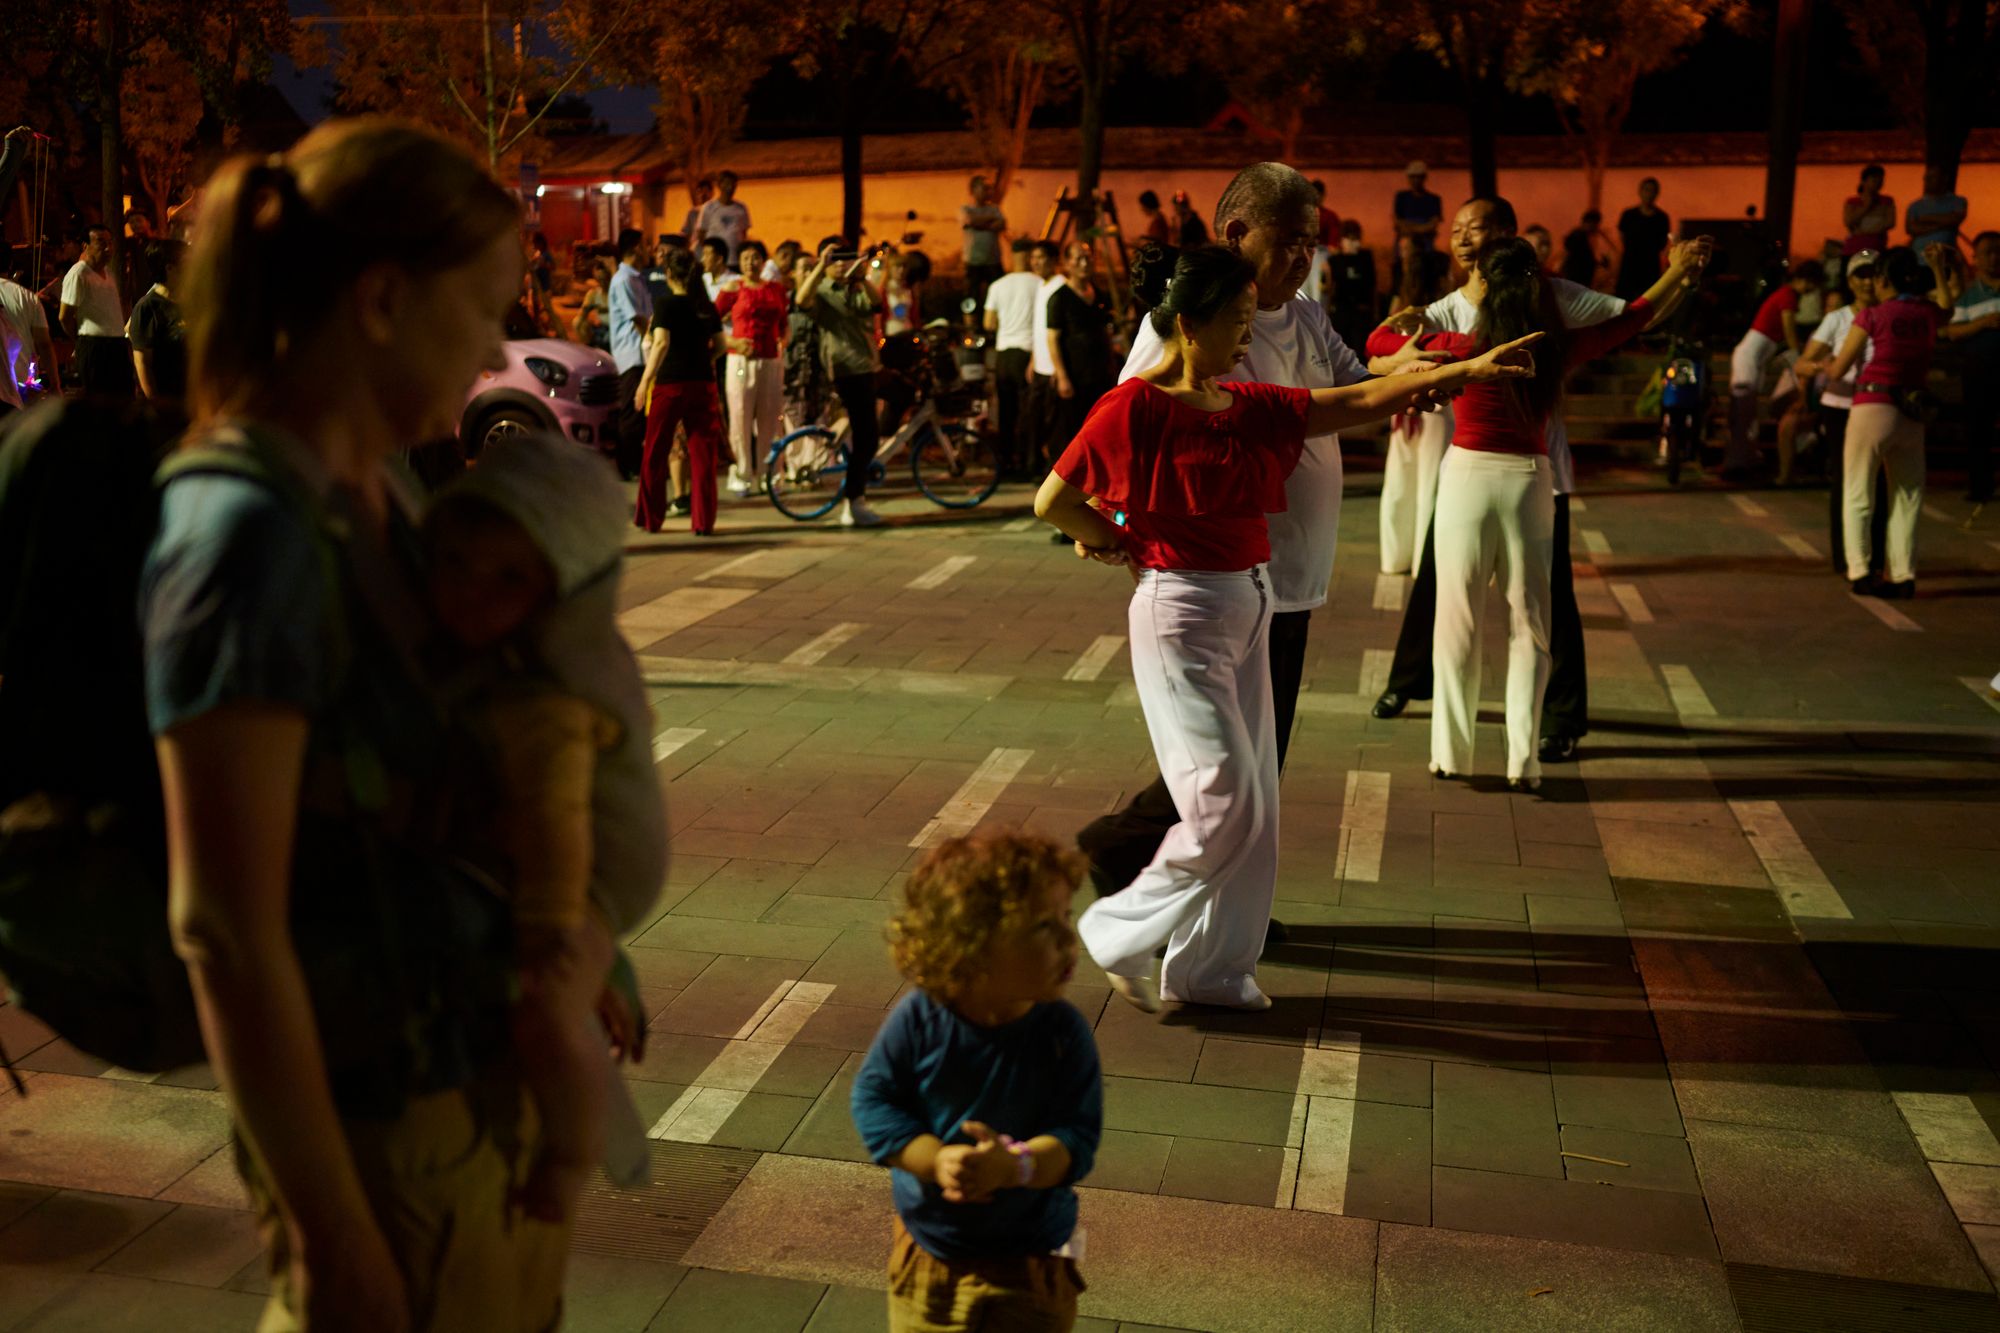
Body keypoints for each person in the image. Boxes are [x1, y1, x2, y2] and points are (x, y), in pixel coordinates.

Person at [151, 115, 570, 1332]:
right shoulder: (243, 532)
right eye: (483, 310)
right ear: (383, 297)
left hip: (469, 1107)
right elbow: (223, 927)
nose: (497, 350)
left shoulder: (372, 485)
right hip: (381, 1148)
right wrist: (337, 1239)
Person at [1039, 243, 1534, 1011]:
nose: (1247, 332)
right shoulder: (1134, 405)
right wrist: (1123, 538)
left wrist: (1460, 372)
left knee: (1258, 807)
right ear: (1188, 322)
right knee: (1225, 798)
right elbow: (1053, 500)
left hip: (1252, 605)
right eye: (1236, 319)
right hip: (1181, 614)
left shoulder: (1248, 404)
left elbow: (1356, 402)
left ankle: (1213, 970)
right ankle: (1116, 929)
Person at [1075, 164, 1440, 910]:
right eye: (1290, 243)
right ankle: (1142, 866)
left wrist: (1407, 365)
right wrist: (1110, 525)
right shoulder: (1178, 326)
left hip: (1291, 576)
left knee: (1250, 763)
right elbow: (1118, 435)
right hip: (1226, 577)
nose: (1304, 258)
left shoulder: (1302, 312)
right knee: (1235, 768)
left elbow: (1352, 380)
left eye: (1313, 242)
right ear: (1237, 233)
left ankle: (1191, 895)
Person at [423, 435, 666, 1227]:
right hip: (559, 846)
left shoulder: (548, 697)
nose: (471, 595)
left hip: (596, 874)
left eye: (509, 579)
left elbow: (557, 823)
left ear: (564, 591)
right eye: (453, 563)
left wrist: (552, 930)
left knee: (547, 1006)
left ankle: (570, 1157)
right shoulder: (520, 652)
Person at [1374, 236, 1706, 788]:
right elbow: (1638, 317)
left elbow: (1377, 340)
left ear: (1484, 282)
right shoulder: (1553, 346)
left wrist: (1407, 328)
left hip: (1466, 477)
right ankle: (1523, 763)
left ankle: (1452, 755)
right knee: (1532, 624)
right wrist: (1677, 271)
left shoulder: (1456, 342)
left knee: (1457, 619)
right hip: (1531, 482)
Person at [850, 831, 1099, 1333]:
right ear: (974, 946)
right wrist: (935, 1159)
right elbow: (875, 1101)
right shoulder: (922, 1019)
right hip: (931, 1254)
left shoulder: (1062, 1033)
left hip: (1032, 1258)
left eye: (1066, 920)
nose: (1068, 940)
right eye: (1043, 927)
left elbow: (1078, 1136)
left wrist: (1016, 1167)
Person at [1824, 244, 1957, 597]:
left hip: (1872, 405)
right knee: (1907, 495)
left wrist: (1819, 367)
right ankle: (1902, 576)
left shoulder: (1871, 316)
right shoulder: (1926, 312)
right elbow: (1949, 307)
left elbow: (1838, 369)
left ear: (1883, 279)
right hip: (1912, 410)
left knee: (1858, 491)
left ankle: (1861, 571)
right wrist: (1939, 269)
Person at [1791, 249, 1888, 567]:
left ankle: (1873, 556)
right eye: (1861, 274)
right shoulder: (1838, 318)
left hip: (1879, 407)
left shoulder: (1890, 314)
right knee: (1848, 480)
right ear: (1849, 280)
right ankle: (1845, 555)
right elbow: (1803, 364)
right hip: (1842, 407)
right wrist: (1828, 366)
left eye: (1873, 273)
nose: (1867, 281)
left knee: (1879, 482)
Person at [634, 247, 728, 533]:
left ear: (669, 274)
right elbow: (721, 346)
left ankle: (651, 519)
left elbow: (660, 343)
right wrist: (701, 362)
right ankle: (703, 522)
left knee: (655, 452)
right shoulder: (705, 305)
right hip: (703, 385)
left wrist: (644, 381)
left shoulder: (665, 304)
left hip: (670, 385)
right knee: (703, 456)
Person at [1380, 234, 1454, 575]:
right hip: (1437, 405)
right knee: (1430, 481)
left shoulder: (1400, 312)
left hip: (1401, 402)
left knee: (1399, 480)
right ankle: (1424, 561)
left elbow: (1376, 346)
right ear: (1441, 278)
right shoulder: (1445, 315)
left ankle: (1394, 557)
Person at [798, 242, 885, 527]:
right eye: (835, 259)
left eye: (844, 259)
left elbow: (876, 305)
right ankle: (854, 500)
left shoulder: (855, 287)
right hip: (846, 370)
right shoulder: (822, 290)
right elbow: (801, 300)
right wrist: (820, 266)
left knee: (870, 430)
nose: (840, 264)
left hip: (866, 366)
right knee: (867, 437)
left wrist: (861, 277)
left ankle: (854, 496)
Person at [1725, 261, 1823, 479]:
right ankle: (1736, 463)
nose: (1810, 291)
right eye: (1812, 285)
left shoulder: (1787, 295)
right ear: (1803, 280)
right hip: (1749, 357)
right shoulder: (1787, 295)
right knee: (1742, 411)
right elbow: (1788, 328)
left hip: (1756, 359)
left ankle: (1745, 459)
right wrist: (1799, 354)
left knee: (1747, 412)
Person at [715, 239, 787, 497]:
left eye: (755, 257)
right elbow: (711, 325)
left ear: (764, 261)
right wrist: (733, 341)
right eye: (745, 258)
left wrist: (782, 349)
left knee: (770, 420)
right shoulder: (732, 288)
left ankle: (771, 475)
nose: (750, 262)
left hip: (770, 360)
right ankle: (743, 475)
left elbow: (784, 324)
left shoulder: (777, 290)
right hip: (739, 361)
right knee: (740, 418)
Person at [1943, 230, 2000, 503]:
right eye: (1987, 252)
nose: (1994, 258)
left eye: (1998, 251)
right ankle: (1981, 488)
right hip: (1979, 370)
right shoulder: (1968, 296)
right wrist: (1984, 322)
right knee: (1979, 429)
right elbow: (1953, 332)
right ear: (1975, 258)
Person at [1044, 240, 1116, 455]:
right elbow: (1052, 339)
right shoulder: (1059, 298)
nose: (1085, 264)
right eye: (1079, 259)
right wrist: (1062, 376)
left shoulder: (1100, 295)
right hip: (1075, 376)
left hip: (1101, 374)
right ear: (1067, 263)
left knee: (1100, 426)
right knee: (1071, 431)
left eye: (1088, 258)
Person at [983, 239, 1043, 478]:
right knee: (1029, 412)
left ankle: (1004, 463)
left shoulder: (998, 286)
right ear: (1029, 256)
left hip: (1004, 354)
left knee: (1006, 413)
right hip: (1028, 354)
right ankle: (1029, 463)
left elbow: (988, 323)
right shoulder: (1039, 284)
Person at [59, 223, 133, 397]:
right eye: (101, 242)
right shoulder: (79, 273)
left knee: (124, 398)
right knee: (101, 400)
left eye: (110, 242)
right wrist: (79, 339)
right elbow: (65, 316)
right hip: (94, 345)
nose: (108, 247)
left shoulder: (109, 273)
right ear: (86, 246)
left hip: (116, 344)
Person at [608, 228, 654, 479]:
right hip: (632, 354)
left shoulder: (636, 278)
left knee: (638, 412)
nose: (649, 251)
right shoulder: (623, 280)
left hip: (641, 353)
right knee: (631, 413)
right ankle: (627, 465)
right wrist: (657, 341)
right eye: (645, 245)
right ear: (636, 248)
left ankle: (635, 463)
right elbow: (638, 319)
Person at [127, 239, 188, 405]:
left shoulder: (191, 301)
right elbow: (143, 363)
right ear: (169, 268)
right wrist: (157, 404)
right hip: (169, 400)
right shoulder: (148, 307)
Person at [0, 242, 59, 411]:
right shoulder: (27, 297)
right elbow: (44, 345)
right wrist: (55, 385)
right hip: (23, 384)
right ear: (10, 264)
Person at [1026, 240, 1067, 471]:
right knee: (1035, 419)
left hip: (1052, 370)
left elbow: (1058, 335)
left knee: (1055, 425)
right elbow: (1038, 328)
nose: (1036, 262)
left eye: (1040, 257)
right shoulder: (1041, 286)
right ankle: (1038, 466)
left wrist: (1058, 371)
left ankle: (1056, 471)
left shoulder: (1060, 286)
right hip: (1040, 367)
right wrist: (1033, 359)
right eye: (1033, 258)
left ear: (1054, 260)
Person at [1326, 219, 1377, 354]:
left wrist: (1373, 310)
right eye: (1351, 240)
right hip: (1341, 310)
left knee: (1360, 350)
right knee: (1340, 349)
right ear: (1342, 240)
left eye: (1357, 239)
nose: (1356, 244)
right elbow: (1330, 288)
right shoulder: (1334, 261)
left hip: (1361, 311)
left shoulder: (1365, 257)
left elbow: (1372, 285)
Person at [1616, 178, 1671, 299]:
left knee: (1647, 300)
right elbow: (1622, 236)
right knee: (1624, 301)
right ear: (1640, 192)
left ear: (1657, 194)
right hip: (1629, 264)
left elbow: (1663, 241)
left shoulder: (1662, 218)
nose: (1649, 194)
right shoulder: (1629, 215)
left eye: (1653, 191)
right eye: (1646, 190)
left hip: (1650, 266)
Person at [960, 175, 1008, 309]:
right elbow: (970, 221)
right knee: (971, 296)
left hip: (993, 261)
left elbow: (1001, 225)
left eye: (989, 188)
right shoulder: (965, 209)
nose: (988, 191)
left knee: (999, 294)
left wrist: (979, 223)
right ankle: (971, 324)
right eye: (984, 188)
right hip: (973, 261)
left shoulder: (995, 209)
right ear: (973, 189)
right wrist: (990, 221)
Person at [1905, 166, 1966, 258]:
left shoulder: (1958, 201)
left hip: (1946, 258)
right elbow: (1911, 229)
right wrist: (1943, 224)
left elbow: (1955, 219)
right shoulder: (1915, 206)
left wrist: (1924, 219)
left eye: (1932, 177)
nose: (1927, 180)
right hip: (1919, 257)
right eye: (1926, 177)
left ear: (1944, 179)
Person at [695, 169, 751, 263]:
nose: (731, 187)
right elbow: (701, 234)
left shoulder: (742, 208)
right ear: (719, 185)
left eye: (734, 184)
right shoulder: (708, 207)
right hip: (714, 261)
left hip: (735, 259)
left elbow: (744, 233)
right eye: (727, 184)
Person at [1843, 165, 1895, 259]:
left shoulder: (1887, 201)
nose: (1878, 183)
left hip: (1875, 248)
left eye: (1881, 180)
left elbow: (1890, 222)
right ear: (1864, 181)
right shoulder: (1852, 202)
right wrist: (1866, 207)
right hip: (1854, 249)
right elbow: (1848, 221)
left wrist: (1864, 231)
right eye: (1874, 180)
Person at [1560, 210, 1615, 291]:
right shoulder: (1578, 237)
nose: (1597, 228)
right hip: (1576, 281)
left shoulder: (1580, 236)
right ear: (1590, 223)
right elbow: (1582, 260)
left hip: (1576, 281)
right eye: (1596, 224)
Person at [1394, 161, 1442, 251]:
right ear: (1408, 178)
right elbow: (1397, 220)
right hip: (1405, 242)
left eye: (1419, 177)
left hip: (1426, 243)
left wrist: (1415, 230)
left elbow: (1434, 223)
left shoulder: (1433, 199)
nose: (1416, 180)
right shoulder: (1401, 197)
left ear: (1424, 178)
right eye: (1413, 177)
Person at [680, 177, 713, 244]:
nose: (703, 195)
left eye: (706, 191)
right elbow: (685, 232)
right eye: (700, 192)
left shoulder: (715, 211)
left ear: (711, 193)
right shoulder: (692, 213)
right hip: (695, 248)